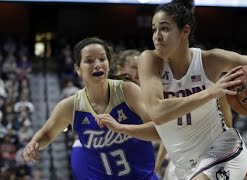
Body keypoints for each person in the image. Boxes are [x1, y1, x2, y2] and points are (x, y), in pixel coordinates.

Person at [138, 0, 247, 179]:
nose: (157, 36)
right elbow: (157, 112)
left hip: (222, 150)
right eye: (154, 29)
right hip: (182, 164)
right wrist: (210, 93)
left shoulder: (210, 60)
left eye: (165, 28)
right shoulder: (149, 60)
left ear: (185, 31)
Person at [23, 37, 159, 180]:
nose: (98, 65)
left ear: (109, 62)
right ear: (78, 69)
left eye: (102, 59)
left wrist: (121, 128)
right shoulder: (70, 106)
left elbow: (158, 130)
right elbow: (47, 134)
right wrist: (33, 144)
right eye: (89, 61)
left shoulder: (128, 90)